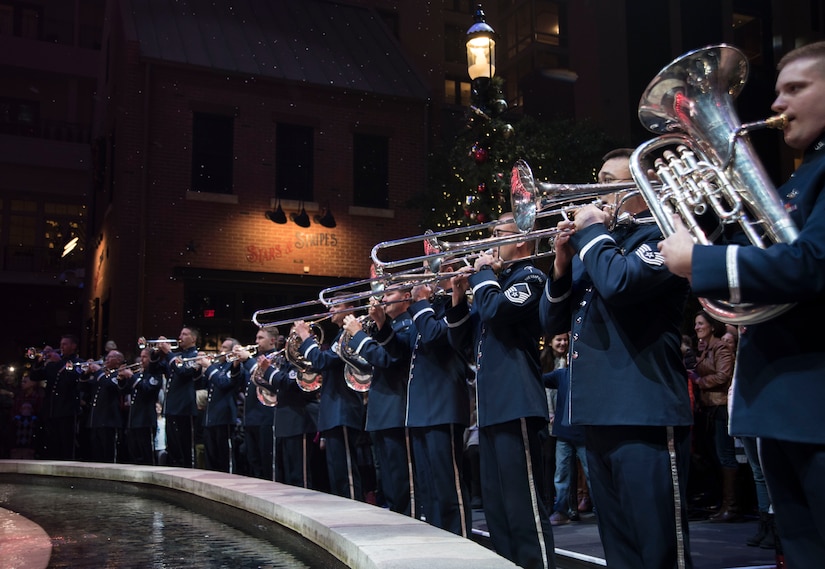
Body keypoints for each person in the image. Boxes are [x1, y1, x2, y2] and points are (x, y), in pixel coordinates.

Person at [658, 40, 825, 567]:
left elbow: (809, 265)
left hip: (813, 399)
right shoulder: (801, 176)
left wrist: (701, 263)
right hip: (784, 401)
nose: (777, 103)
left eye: (796, 88)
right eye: (778, 90)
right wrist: (707, 220)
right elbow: (772, 256)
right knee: (799, 551)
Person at [542, 149, 693, 568]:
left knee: (659, 548)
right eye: (598, 181)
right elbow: (550, 319)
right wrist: (561, 263)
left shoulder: (661, 234)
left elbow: (621, 284)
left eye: (611, 183)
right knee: (619, 549)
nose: (598, 193)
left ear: (643, 190)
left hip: (644, 410)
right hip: (597, 414)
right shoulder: (598, 249)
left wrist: (591, 236)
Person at [448, 212, 555, 569]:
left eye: (498, 234)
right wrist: (458, 298)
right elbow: (459, 341)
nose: (490, 242)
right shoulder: (493, 284)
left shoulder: (530, 277)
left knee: (524, 510)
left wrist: (480, 276)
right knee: (497, 513)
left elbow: (496, 312)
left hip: (518, 404)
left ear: (522, 241)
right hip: (494, 409)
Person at [402, 279, 472, 535]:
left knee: (447, 486)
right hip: (420, 410)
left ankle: (460, 542)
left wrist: (420, 302)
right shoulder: (425, 312)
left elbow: (433, 336)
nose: (426, 277)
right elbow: (398, 352)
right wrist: (379, 325)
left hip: (444, 405)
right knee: (429, 488)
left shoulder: (456, 307)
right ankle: (436, 539)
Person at [342, 287, 414, 516]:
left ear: (405, 297)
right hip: (381, 409)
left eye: (389, 294)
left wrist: (359, 336)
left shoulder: (407, 324)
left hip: (397, 406)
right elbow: (368, 362)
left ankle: (407, 521)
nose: (383, 299)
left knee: (401, 477)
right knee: (388, 477)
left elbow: (386, 359)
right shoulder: (390, 327)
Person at [294, 298, 366, 502]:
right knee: (337, 473)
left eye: (336, 305)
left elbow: (322, 361)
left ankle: (356, 513)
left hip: (343, 408)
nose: (330, 309)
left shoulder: (352, 333)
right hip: (333, 409)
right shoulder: (339, 336)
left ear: (351, 308)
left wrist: (305, 336)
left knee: (346, 473)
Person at [692, 310, 738, 522]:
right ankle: (722, 503)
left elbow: (723, 375)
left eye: (700, 323)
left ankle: (732, 505)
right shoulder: (705, 350)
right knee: (713, 456)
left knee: (725, 455)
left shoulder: (721, 347)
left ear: (712, 325)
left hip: (720, 408)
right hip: (708, 409)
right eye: (695, 324)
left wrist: (698, 381)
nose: (697, 327)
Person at [255, 342, 320, 489]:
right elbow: (277, 386)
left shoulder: (305, 362)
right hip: (285, 422)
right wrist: (263, 374)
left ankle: (304, 504)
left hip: (300, 420)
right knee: (288, 474)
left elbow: (290, 384)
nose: (291, 342)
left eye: (296, 338)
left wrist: (268, 370)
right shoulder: (286, 363)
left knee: (300, 474)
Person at [149, 327, 201, 467]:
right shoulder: (175, 356)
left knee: (185, 448)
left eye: (185, 334)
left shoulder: (196, 355)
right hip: (171, 407)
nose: (180, 336)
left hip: (185, 407)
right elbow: (154, 370)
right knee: (173, 448)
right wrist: (155, 354)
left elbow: (183, 371)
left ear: (193, 339)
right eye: (180, 333)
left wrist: (168, 353)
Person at [30, 334, 84, 460]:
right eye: (61, 344)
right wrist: (40, 361)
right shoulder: (52, 364)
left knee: (66, 444)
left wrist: (59, 361)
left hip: (67, 409)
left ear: (73, 346)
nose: (61, 347)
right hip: (51, 409)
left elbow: (71, 380)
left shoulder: (78, 362)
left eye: (65, 344)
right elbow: (34, 377)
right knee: (51, 444)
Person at [237, 328, 278, 480]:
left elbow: (269, 381)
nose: (256, 341)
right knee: (253, 463)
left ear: (272, 340)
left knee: (267, 464)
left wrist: (248, 360)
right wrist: (236, 365)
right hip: (251, 418)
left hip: (266, 418)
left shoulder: (276, 358)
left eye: (260, 338)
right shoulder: (254, 360)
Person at [197, 338, 243, 473]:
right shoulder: (217, 367)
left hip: (225, 417)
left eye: (224, 348)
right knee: (210, 457)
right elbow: (201, 385)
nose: (221, 351)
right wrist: (199, 367)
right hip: (210, 417)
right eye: (221, 347)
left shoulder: (234, 367)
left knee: (223, 458)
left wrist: (209, 367)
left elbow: (224, 383)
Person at [80, 350, 127, 463]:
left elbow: (110, 384)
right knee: (96, 454)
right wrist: (86, 373)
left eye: (110, 357)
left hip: (109, 420)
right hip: (96, 420)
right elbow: (82, 387)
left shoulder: (119, 374)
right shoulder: (101, 375)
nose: (106, 359)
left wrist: (98, 371)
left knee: (108, 454)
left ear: (118, 360)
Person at [120, 349, 162, 465]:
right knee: (134, 453)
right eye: (141, 356)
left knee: (147, 454)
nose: (141, 360)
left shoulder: (155, 375)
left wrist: (132, 377)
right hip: (133, 419)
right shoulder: (138, 375)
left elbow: (147, 390)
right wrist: (122, 379)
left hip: (146, 420)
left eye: (145, 357)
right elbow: (124, 390)